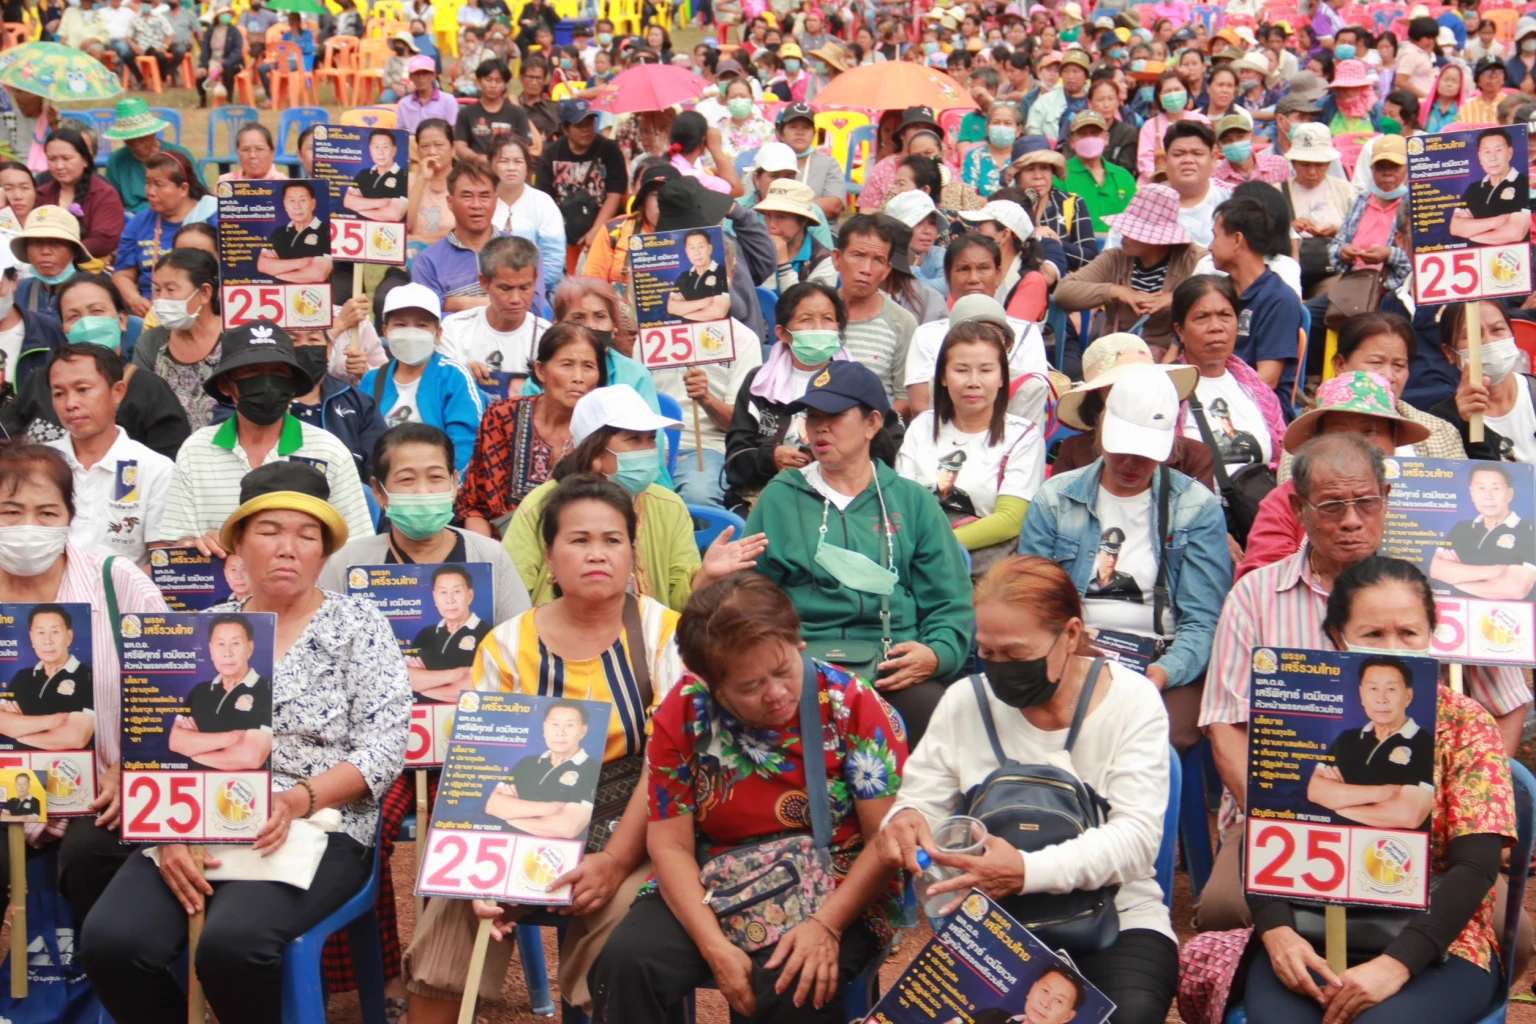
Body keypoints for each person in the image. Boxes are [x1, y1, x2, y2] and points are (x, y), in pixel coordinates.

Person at [81, 461, 412, 1024]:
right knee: (113, 943)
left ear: (324, 554)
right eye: (269, 531)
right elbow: (163, 744)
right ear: (236, 543)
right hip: (196, 817)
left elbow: (384, 746)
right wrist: (171, 831)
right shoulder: (199, 631)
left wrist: (295, 800)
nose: (288, 548)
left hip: (316, 821)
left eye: (307, 535)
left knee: (233, 946)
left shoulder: (361, 624)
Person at [1195, 435, 1533, 931]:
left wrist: (1465, 806)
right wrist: (1281, 816)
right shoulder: (1255, 597)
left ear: (1387, 498)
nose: (1352, 520)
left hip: (1428, 827)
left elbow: (1505, 707)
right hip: (1280, 825)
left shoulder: (1441, 590)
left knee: (1512, 935)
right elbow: (1225, 726)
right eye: (1331, 506)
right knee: (1227, 909)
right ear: (1298, 507)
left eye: (1366, 502)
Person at [402, 474, 684, 1023]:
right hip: (529, 805)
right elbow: (482, 767)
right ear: (549, 558)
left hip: (639, 811)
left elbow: (669, 769)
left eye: (612, 540)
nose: (597, 554)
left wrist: (613, 860)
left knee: (620, 918)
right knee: (455, 913)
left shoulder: (665, 636)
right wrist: (481, 873)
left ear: (633, 552)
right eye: (578, 541)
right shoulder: (507, 643)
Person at [589, 572, 909, 1023]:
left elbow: (885, 842)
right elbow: (671, 845)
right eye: (750, 686)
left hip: (838, 883)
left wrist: (827, 925)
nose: (776, 694)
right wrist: (714, 946)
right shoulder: (682, 712)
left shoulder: (849, 704)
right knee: (625, 966)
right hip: (715, 877)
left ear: (798, 643)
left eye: (783, 671)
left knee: (790, 986)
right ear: (712, 685)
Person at [879, 554, 1178, 1024]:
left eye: (1016, 655)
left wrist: (1024, 871)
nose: (999, 669)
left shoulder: (1131, 699)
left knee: (1130, 1016)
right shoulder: (965, 702)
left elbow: (1137, 843)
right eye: (987, 654)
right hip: (992, 924)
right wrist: (905, 824)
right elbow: (919, 805)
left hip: (1120, 915)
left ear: (1072, 636)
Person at [1242, 556, 1519, 1024]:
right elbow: (1266, 828)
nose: (1393, 647)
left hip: (1439, 940)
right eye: (1372, 634)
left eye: (1408, 633)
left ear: (1433, 633)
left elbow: (1475, 865)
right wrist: (1277, 933)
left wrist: (1396, 965)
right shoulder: (1304, 715)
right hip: (1308, 927)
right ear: (1337, 638)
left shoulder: (1467, 724)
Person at [745, 360, 972, 747]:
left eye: (833, 415)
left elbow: (951, 603)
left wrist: (935, 655)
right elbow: (751, 596)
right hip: (800, 662)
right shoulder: (780, 497)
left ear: (872, 424)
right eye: (812, 417)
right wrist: (777, 657)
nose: (819, 427)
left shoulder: (911, 500)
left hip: (893, 663)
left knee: (939, 726)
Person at [1021, 363, 1230, 751]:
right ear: (1101, 434)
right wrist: (1067, 648)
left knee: (1153, 738)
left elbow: (1203, 619)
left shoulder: (1195, 506)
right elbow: (1032, 602)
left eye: (1146, 453)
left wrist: (1163, 672)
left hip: (1160, 652)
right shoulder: (1055, 497)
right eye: (1124, 450)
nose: (1132, 464)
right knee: (1052, 725)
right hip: (1069, 648)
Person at [0, 444, 168, 923]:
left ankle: (104, 990)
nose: (28, 526)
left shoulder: (115, 580)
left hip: (104, 788)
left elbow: (170, 687)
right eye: (10, 512)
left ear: (70, 516)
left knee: (91, 857)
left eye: (46, 511)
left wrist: (133, 767)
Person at [505, 384, 762, 608]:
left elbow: (676, 601)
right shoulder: (541, 504)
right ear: (594, 452)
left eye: (651, 439)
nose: (648, 450)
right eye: (634, 439)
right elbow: (511, 593)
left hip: (647, 644)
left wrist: (705, 576)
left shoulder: (668, 505)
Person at [153, 320, 374, 554]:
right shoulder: (195, 451)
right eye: (252, 372)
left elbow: (355, 549)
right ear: (226, 385)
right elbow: (177, 547)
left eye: (278, 373)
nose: (267, 384)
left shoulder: (329, 450)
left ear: (292, 385)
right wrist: (196, 548)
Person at [897, 319, 1044, 567]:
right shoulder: (922, 426)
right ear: (943, 377)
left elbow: (1010, 519)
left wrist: (937, 543)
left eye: (986, 370)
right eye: (961, 370)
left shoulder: (1023, 436)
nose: (973, 381)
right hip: (916, 560)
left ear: (1001, 378)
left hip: (983, 570)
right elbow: (901, 502)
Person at [4, 272, 189, 461]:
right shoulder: (41, 381)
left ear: (122, 320)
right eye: (73, 316)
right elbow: (7, 443)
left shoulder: (149, 390)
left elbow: (170, 464)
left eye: (97, 312)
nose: (86, 323)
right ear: (63, 329)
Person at [42, 342, 173, 564]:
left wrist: (114, 598)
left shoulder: (155, 469)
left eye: (82, 389)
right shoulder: (39, 465)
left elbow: (160, 562)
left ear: (118, 392)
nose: (70, 403)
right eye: (59, 393)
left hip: (121, 597)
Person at [1056, 184, 1207, 360]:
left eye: (1131, 231)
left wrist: (1178, 298)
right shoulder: (1115, 259)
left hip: (1167, 359)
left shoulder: (1193, 260)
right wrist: (1116, 291)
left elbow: (1216, 296)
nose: (1123, 234)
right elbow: (1063, 292)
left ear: (1156, 238)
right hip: (1116, 357)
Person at [358, 283, 484, 466]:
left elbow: (466, 444)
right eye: (400, 325)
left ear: (438, 334)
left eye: (421, 325)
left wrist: (449, 486)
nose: (410, 333)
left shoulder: (454, 377)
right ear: (385, 331)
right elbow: (362, 441)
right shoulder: (372, 380)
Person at [1306, 653, 1435, 826]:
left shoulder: (1426, 744)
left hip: (1393, 849)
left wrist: (1339, 804)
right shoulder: (1347, 739)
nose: (1381, 699)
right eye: (1373, 689)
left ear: (1408, 696)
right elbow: (1315, 791)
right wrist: (1383, 792)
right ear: (1361, 694)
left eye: (1391, 689)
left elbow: (1409, 815)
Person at [1208, 195, 1303, 412]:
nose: (1210, 247)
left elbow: (1266, 380)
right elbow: (1178, 355)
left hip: (1256, 413)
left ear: (1237, 239)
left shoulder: (1279, 299)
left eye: (1215, 236)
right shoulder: (1213, 293)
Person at [439, 235, 550, 401]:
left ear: (535, 281)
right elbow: (439, 388)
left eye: (525, 288)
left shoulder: (547, 336)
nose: (516, 299)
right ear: (484, 283)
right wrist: (461, 377)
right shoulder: (454, 329)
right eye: (505, 288)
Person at [130, 249, 225, 430]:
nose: (161, 299)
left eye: (171, 289)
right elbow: (141, 404)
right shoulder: (151, 342)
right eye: (157, 290)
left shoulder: (235, 338)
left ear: (204, 293)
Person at [168, 612, 274, 771]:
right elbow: (176, 741)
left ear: (249, 648)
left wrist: (194, 751)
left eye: (236, 643)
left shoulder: (266, 690)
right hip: (197, 788)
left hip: (243, 790)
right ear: (211, 650)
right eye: (220, 644)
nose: (227, 652)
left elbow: (251, 757)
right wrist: (229, 739)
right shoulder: (200, 691)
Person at [1431, 300, 1535, 462]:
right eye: (1472, 335)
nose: (1489, 342)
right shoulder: (1442, 422)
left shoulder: (1532, 392)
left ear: (1512, 335)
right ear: (1449, 353)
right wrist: (1469, 427)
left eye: (1498, 329)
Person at [112, 151, 210, 314]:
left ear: (183, 189)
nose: (150, 192)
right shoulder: (139, 223)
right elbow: (122, 275)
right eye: (148, 183)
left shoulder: (211, 217)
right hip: (150, 313)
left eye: (159, 184)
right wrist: (135, 299)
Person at [537, 99, 627, 273]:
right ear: (565, 129)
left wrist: (596, 231)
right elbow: (545, 199)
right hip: (564, 233)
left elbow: (615, 194)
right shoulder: (551, 153)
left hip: (605, 231)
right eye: (579, 125)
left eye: (590, 123)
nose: (586, 129)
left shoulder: (610, 149)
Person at [1430, 463, 1536, 600]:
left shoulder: (1529, 531)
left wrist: (1457, 580)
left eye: (1496, 488)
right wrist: (1495, 571)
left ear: (1510, 494)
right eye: (1481, 488)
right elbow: (1437, 570)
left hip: (1508, 617)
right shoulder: (1462, 528)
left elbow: (1515, 588)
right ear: (1472, 493)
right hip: (1460, 615)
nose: (1488, 496)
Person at [0, 602, 93, 751]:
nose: (47, 640)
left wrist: (18, 730)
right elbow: (1, 722)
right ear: (32, 638)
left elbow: (76, 737)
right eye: (41, 633)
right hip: (22, 768)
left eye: (55, 632)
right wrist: (51, 721)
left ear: (69, 636)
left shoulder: (87, 676)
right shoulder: (22, 677)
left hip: (70, 769)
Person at [412, 157, 499, 312]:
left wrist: (454, 304)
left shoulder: (521, 252)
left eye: (484, 196)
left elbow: (531, 311)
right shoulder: (428, 262)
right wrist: (499, 303)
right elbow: (429, 319)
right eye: (467, 196)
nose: (476, 205)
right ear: (450, 202)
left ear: (496, 201)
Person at [488, 135, 564, 296]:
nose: (511, 167)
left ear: (527, 167)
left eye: (518, 161)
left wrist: (527, 291)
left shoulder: (543, 202)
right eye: (503, 161)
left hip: (538, 293)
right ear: (491, 165)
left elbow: (554, 259)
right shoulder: (483, 201)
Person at [38, 129, 124, 265]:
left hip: (90, 271)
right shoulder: (42, 194)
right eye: (52, 159)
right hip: (45, 267)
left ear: (84, 160)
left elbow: (104, 240)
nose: (59, 166)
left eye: (66, 158)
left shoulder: (104, 194)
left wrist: (62, 255)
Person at [100, 99, 196, 217]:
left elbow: (198, 196)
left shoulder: (179, 155)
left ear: (153, 133)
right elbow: (111, 202)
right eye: (129, 138)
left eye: (141, 137)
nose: (135, 143)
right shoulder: (116, 160)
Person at [1450, 128, 1532, 245]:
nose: (1492, 157)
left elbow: (1515, 232)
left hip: (1513, 259)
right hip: (1477, 259)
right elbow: (1456, 228)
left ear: (1510, 152)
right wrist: (1496, 222)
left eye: (1498, 150)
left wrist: (1471, 233)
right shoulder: (1473, 188)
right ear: (1480, 157)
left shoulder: (1524, 183)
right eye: (1487, 152)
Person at [1063, 110, 1137, 234]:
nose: (1089, 139)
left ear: (1106, 138)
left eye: (1095, 134)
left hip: (1120, 250)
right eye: (1083, 134)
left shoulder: (1124, 177)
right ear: (1072, 142)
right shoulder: (1061, 175)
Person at [1137, 68, 1211, 182]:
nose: (1173, 95)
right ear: (1159, 96)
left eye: (1177, 90)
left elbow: (1208, 153)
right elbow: (1144, 160)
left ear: (1186, 92)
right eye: (1168, 91)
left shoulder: (1201, 120)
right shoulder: (1150, 126)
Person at [777, 102, 848, 219]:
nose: (800, 132)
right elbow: (751, 201)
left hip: (817, 230)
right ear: (780, 133)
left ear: (814, 134)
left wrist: (787, 208)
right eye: (793, 127)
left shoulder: (829, 164)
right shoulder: (767, 161)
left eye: (806, 127)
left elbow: (835, 205)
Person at [255, 181, 333, 285]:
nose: (297, 206)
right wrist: (302, 262)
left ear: (313, 203)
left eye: (303, 200)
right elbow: (263, 265)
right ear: (285, 205)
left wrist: (277, 271)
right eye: (291, 200)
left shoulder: (327, 232)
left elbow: (318, 274)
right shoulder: (279, 232)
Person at [453, 58, 529, 157]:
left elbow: (523, 147)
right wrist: (478, 159)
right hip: (475, 168)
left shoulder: (517, 113)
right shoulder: (466, 113)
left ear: (505, 85)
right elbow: (460, 147)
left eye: (498, 81)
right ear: (479, 81)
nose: (493, 85)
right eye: (488, 80)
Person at [342, 130, 410, 223]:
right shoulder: (363, 173)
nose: (380, 152)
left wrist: (360, 208)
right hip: (360, 230)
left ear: (394, 150)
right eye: (376, 147)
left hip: (388, 233)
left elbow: (394, 214)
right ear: (370, 150)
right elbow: (348, 202)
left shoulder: (404, 176)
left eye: (385, 147)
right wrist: (381, 203)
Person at [963, 101, 1023, 196]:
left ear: (1018, 130)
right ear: (987, 128)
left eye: (1007, 123)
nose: (1001, 127)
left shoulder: (1024, 158)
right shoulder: (975, 156)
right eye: (996, 122)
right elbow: (968, 196)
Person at [194, 4, 245, 109]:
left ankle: (228, 100)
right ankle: (202, 101)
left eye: (228, 14)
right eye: (223, 14)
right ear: (218, 17)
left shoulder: (234, 31)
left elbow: (237, 52)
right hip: (213, 61)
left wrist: (224, 63)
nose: (226, 16)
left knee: (228, 71)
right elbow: (205, 49)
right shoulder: (211, 30)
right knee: (200, 74)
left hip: (232, 62)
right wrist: (203, 65)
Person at [396, 54, 460, 134]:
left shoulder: (448, 100)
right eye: (417, 74)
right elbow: (401, 132)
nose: (421, 78)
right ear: (411, 77)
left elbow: (454, 129)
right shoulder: (404, 103)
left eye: (425, 74)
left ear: (433, 76)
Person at [217, 123, 287, 183]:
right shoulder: (225, 183)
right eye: (245, 149)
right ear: (238, 152)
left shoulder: (284, 185)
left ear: (272, 152)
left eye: (259, 149)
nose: (252, 155)